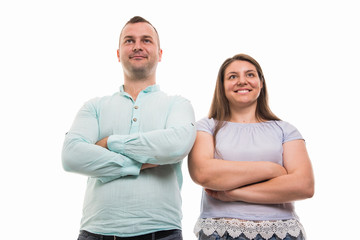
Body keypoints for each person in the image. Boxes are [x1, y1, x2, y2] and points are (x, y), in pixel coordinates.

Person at [62, 16, 196, 240]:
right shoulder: (94, 106)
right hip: (96, 232)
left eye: (146, 40)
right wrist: (139, 163)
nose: (137, 46)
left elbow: (176, 145)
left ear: (160, 53)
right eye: (129, 40)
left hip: (161, 231)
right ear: (118, 54)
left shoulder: (178, 104)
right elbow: (71, 155)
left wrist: (109, 143)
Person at [188, 54, 314, 240]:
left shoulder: (286, 130)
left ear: (261, 83)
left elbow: (304, 185)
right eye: (232, 76)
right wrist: (272, 169)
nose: (242, 81)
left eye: (250, 75)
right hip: (220, 231)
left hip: (280, 233)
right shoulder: (206, 127)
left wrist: (233, 193)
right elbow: (203, 173)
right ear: (221, 86)